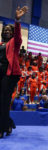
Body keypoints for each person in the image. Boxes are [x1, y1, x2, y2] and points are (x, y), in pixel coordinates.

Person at [0, 6, 28, 138]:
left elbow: (18, 35)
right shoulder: (1, 44)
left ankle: (2, 128)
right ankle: (8, 124)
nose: (6, 31)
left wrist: (17, 21)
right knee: (3, 101)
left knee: (3, 100)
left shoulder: (14, 42)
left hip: (9, 74)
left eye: (8, 30)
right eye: (4, 30)